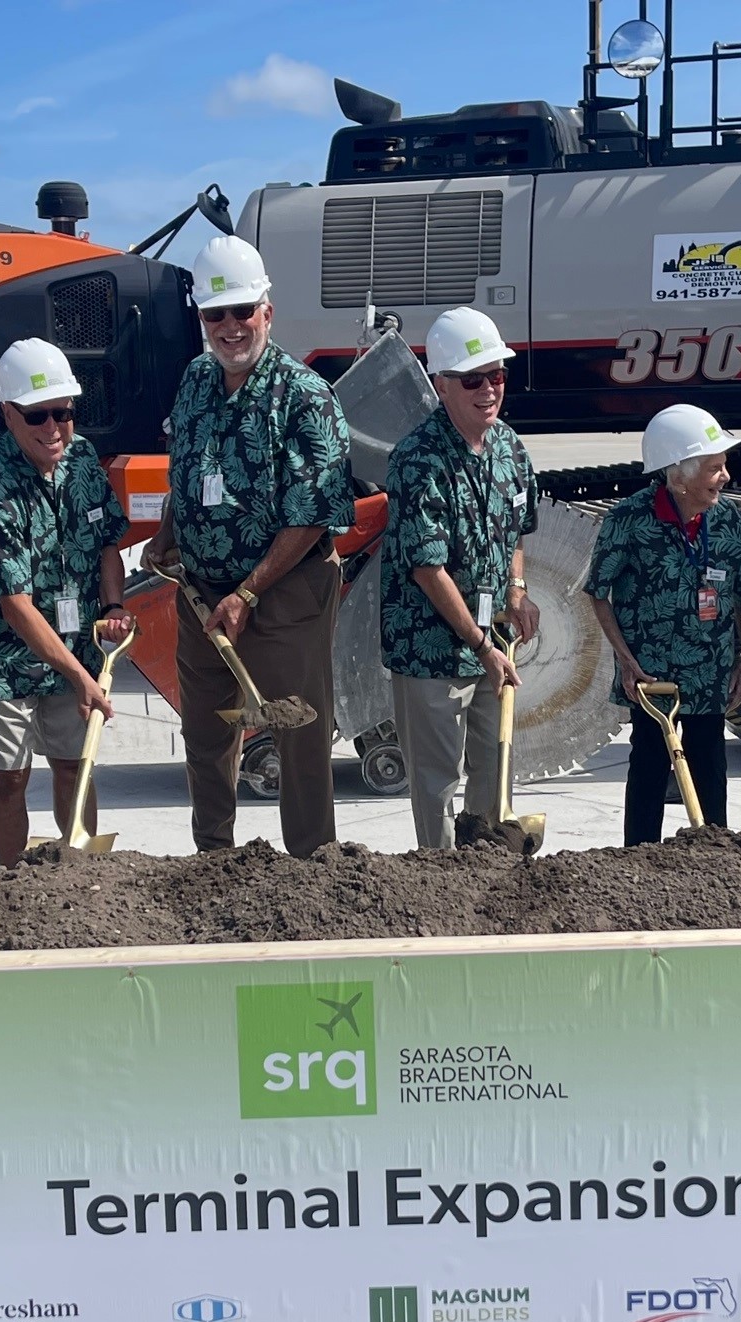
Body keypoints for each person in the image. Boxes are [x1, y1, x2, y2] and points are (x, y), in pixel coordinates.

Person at [144, 235, 354, 857]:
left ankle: (312, 867)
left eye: (242, 311)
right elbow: (186, 468)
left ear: (267, 309)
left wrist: (248, 591)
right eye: (216, 315)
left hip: (284, 596)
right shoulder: (196, 381)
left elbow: (315, 513)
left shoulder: (305, 397)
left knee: (298, 734)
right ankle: (215, 861)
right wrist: (166, 535)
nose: (231, 327)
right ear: (201, 319)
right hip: (201, 594)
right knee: (206, 733)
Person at [0, 339, 131, 864]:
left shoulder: (81, 464)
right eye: (37, 415)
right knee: (10, 775)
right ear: (8, 414)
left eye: (64, 412)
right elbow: (16, 604)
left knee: (76, 763)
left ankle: (83, 869)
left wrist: (114, 607)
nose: (53, 427)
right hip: (0, 655)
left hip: (73, 641)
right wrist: (82, 677)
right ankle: (13, 886)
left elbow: (107, 546)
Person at [379, 308, 540, 849]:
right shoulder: (416, 460)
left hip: (493, 642)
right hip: (433, 651)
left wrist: (517, 591)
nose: (489, 390)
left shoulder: (510, 449)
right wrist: (478, 641)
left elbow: (517, 529)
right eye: (474, 379)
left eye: (497, 376)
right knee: (437, 781)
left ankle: (490, 875)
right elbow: (428, 569)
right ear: (441, 385)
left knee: (496, 769)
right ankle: (442, 884)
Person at [585, 405, 741, 840]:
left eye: (724, 466)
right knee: (648, 766)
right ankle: (638, 862)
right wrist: (625, 661)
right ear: (678, 476)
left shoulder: (729, 521)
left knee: (710, 770)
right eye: (714, 468)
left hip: (710, 670)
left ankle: (714, 862)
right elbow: (598, 592)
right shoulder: (629, 519)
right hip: (651, 674)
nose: (725, 477)